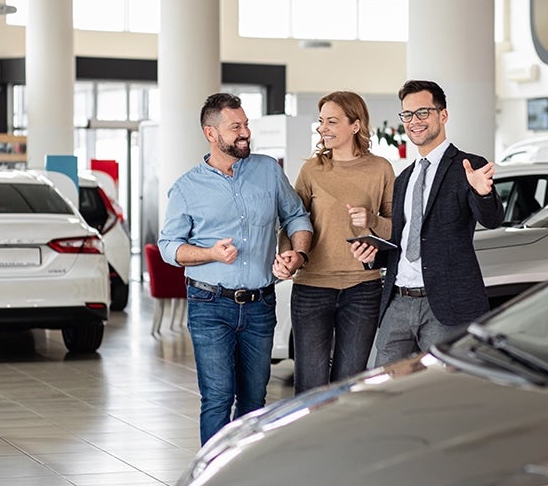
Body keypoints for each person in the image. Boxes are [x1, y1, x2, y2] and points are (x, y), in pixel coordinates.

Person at [158, 92, 313, 445]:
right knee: (217, 397)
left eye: (245, 125)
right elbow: (169, 247)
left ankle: (248, 477)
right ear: (211, 134)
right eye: (236, 127)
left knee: (255, 401)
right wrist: (209, 253)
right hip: (210, 305)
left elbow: (296, 217)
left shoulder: (268, 170)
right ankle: (213, 484)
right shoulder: (186, 188)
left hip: (260, 304)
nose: (245, 133)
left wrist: (297, 254)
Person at [351, 79, 504, 366]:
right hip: (397, 301)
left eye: (422, 112)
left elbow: (493, 219)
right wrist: (372, 256)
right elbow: (404, 241)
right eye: (407, 115)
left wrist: (482, 193)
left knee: (443, 392)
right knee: (385, 390)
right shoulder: (404, 178)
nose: (414, 121)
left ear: (442, 115)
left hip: (445, 306)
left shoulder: (467, 166)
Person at [282, 91, 394, 394]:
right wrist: (287, 255)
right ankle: (309, 441)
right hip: (312, 288)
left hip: (363, 289)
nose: (323, 128)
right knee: (311, 384)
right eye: (321, 122)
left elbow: (396, 228)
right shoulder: (312, 170)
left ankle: (343, 442)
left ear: (355, 126)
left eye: (332, 121)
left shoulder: (380, 168)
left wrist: (371, 220)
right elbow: (292, 219)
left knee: (350, 385)